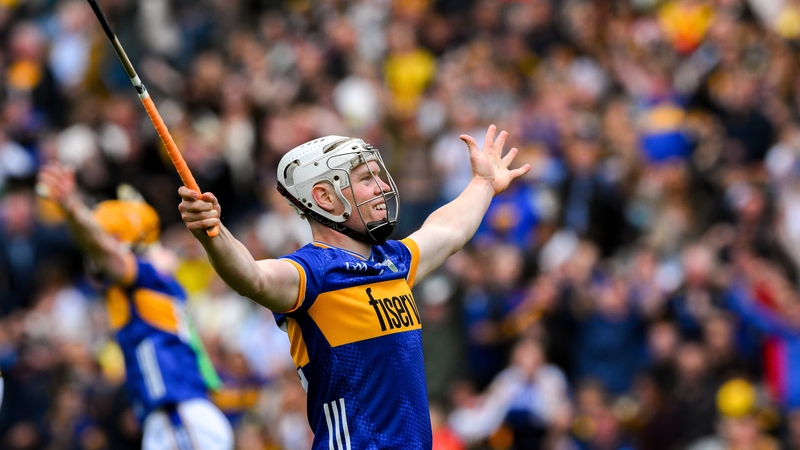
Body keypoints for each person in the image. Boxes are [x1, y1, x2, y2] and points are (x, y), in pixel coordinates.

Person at [178, 125, 530, 449]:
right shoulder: (310, 275)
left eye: (378, 175)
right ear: (325, 198)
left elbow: (449, 230)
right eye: (365, 179)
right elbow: (252, 276)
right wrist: (213, 232)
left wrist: (482, 184)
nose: (381, 188)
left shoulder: (394, 262)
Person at [37, 163, 234, 450]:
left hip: (177, 411)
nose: (169, 250)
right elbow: (104, 250)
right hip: (177, 411)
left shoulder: (148, 278)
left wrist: (73, 207)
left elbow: (103, 249)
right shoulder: (148, 280)